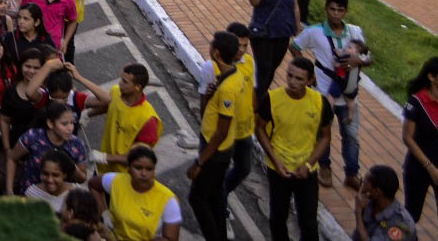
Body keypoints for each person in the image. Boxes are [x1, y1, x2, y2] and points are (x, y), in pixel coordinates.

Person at [292, 0, 371, 189]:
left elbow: (369, 57)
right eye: (332, 9)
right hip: (324, 93)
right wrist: (306, 71)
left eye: (340, 10)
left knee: (351, 136)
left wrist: (359, 60)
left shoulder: (355, 32)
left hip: (349, 94)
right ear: (326, 9)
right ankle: (325, 168)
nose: (336, 13)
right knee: (322, 134)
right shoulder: (314, 31)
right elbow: (295, 46)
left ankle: (352, 173)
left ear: (345, 12)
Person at [255, 58, 332, 241]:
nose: (292, 82)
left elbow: (325, 137)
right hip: (278, 169)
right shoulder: (272, 99)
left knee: (309, 223)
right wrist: (275, 160)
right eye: (289, 76)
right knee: (277, 219)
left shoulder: (320, 103)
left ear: (310, 81)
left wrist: (308, 164)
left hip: (307, 171)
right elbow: (259, 129)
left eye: (299, 78)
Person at [187, 31, 245, 241]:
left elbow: (221, 131)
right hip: (216, 146)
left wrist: (200, 161)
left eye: (212, 45)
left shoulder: (229, 87)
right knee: (215, 196)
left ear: (217, 53)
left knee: (197, 198)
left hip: (216, 151)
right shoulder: (231, 75)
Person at [401, 56, 438, 241]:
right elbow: (408, 138)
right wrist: (430, 168)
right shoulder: (417, 102)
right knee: (411, 215)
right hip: (419, 168)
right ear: (432, 77)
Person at [89, 145, 182, 241]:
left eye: (149, 169)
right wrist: (104, 212)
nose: (144, 174)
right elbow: (93, 185)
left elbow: (171, 239)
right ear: (129, 168)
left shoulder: (168, 200)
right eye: (138, 168)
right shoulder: (116, 181)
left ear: (154, 170)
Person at [247, 0, 301, 104]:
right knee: (264, 66)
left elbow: (295, 6)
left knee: (271, 68)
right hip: (263, 33)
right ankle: (259, 101)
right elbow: (254, 1)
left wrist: (297, 27)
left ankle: (258, 96)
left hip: (282, 33)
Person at [352, 165, 417, 241]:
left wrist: (358, 211)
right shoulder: (369, 203)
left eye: (364, 183)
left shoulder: (402, 224)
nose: (361, 187)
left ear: (376, 192)